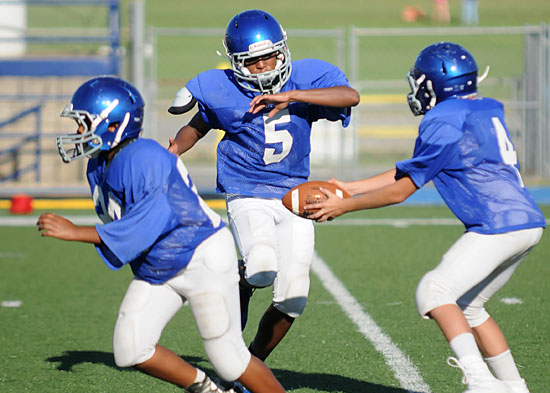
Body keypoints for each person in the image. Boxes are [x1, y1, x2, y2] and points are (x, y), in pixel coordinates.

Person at [307, 42, 545, 393]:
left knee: (433, 291)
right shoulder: (482, 109)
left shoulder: (442, 118)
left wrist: (345, 206)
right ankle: (515, 387)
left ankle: (481, 383)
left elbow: (402, 191)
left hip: (497, 222)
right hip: (528, 220)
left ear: (435, 84)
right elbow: (413, 172)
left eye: (419, 82)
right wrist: (351, 187)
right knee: (470, 307)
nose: (415, 90)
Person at [36, 76, 286, 393]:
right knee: (131, 348)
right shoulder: (99, 165)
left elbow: (147, 223)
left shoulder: (144, 156)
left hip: (199, 255)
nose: (78, 133)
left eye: (84, 123)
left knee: (229, 358)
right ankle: (209, 391)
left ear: (112, 125)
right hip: (160, 264)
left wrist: (77, 232)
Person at [168, 9, 360, 362]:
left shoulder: (304, 77)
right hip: (247, 190)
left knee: (294, 297)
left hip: (293, 193)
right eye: (254, 61)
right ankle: (242, 280)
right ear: (238, 63)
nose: (265, 65)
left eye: (271, 55)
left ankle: (252, 364)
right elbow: (198, 124)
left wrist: (295, 96)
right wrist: (176, 149)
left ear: (283, 49)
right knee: (260, 265)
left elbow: (350, 96)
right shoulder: (222, 87)